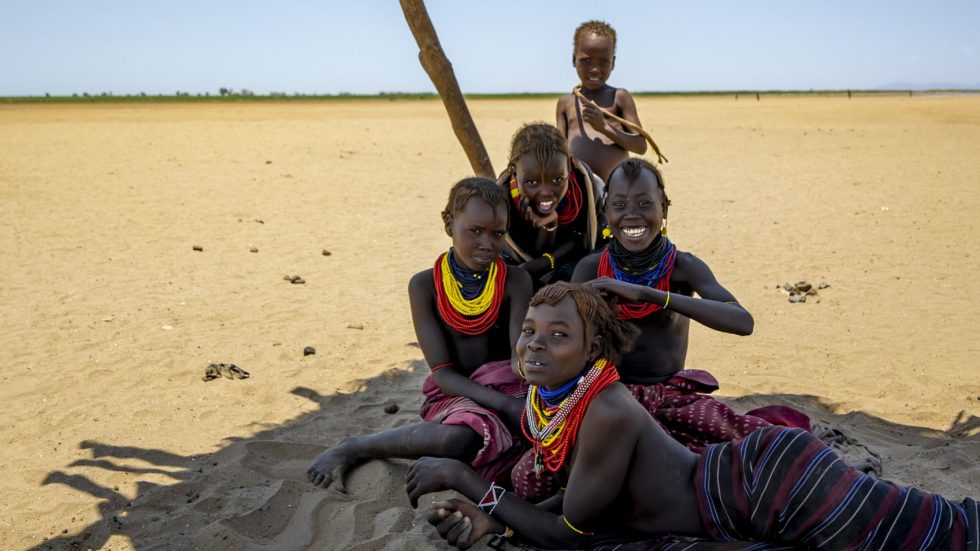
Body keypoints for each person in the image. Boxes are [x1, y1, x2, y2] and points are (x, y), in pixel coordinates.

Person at [406, 283, 978, 550]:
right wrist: (499, 515)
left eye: (559, 335)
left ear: (592, 351)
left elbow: (568, 532)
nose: (533, 344)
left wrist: (466, 479)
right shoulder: (555, 401)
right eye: (529, 330)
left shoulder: (605, 407)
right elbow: (580, 495)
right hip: (754, 484)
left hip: (776, 485)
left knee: (946, 533)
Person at [509, 157, 811, 501]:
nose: (632, 215)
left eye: (644, 204)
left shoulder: (683, 267)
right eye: (619, 205)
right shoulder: (591, 267)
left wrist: (651, 294)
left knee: (732, 462)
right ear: (607, 212)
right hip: (605, 400)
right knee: (531, 479)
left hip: (668, 400)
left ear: (664, 208)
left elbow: (742, 321)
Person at [307, 177, 533, 489]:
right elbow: (442, 374)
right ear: (449, 224)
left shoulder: (515, 281)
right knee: (457, 439)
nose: (487, 243)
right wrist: (504, 405)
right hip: (458, 395)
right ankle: (356, 446)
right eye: (475, 231)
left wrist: (524, 396)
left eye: (497, 233)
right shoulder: (424, 286)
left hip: (510, 389)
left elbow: (518, 359)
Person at [498, 123, 604, 289]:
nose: (546, 193)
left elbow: (584, 243)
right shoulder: (503, 201)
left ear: (569, 167)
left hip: (574, 261)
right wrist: (548, 228)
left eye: (557, 180)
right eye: (532, 182)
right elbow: (524, 256)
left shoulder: (585, 189)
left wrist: (550, 226)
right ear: (513, 171)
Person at [557, 20, 648, 184]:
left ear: (613, 63)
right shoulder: (566, 103)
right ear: (573, 60)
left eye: (603, 62)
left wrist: (604, 127)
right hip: (579, 191)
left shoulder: (619, 97)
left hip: (615, 190)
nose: (594, 69)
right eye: (586, 60)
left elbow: (640, 146)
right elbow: (559, 150)